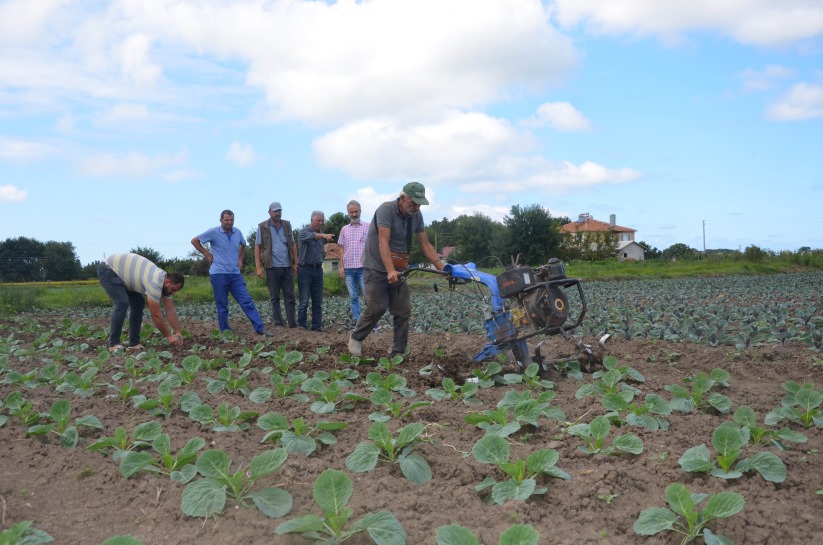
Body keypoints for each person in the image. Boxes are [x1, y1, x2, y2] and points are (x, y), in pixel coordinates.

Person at [348, 182, 445, 358]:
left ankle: (398, 350)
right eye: (413, 203)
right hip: (376, 266)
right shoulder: (386, 210)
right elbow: (383, 242)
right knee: (377, 306)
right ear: (402, 198)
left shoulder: (416, 215)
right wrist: (390, 270)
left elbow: (425, 244)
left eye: (420, 204)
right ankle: (356, 337)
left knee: (403, 309)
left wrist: (444, 270)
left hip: (399, 268)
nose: (416, 207)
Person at [192, 210, 272, 337]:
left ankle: (260, 328)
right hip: (218, 274)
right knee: (222, 304)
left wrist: (240, 259)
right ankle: (225, 330)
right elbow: (195, 241)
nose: (229, 222)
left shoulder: (237, 232)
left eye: (231, 220)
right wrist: (207, 254)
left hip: (235, 274)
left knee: (246, 300)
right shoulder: (213, 232)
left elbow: (243, 245)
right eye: (226, 220)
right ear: (221, 220)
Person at [97, 252, 185, 353]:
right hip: (109, 269)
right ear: (167, 281)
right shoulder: (154, 283)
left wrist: (177, 332)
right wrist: (169, 336)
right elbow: (156, 315)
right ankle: (113, 344)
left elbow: (170, 310)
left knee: (138, 303)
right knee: (122, 302)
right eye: (173, 289)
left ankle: (134, 343)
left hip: (124, 275)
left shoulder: (165, 284)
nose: (172, 293)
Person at [255, 201, 298, 328]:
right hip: (271, 266)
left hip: (286, 266)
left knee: (290, 295)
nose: (278, 213)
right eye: (275, 211)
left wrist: (295, 263)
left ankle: (292, 323)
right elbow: (257, 247)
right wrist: (258, 267)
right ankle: (278, 322)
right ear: (269, 212)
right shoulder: (262, 227)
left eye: (279, 211)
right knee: (274, 296)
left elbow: (293, 245)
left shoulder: (287, 225)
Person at [297, 211, 334, 331]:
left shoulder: (321, 235)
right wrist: (324, 236)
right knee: (304, 300)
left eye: (322, 220)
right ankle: (302, 325)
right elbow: (314, 236)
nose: (321, 223)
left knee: (318, 301)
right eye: (318, 220)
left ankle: (316, 326)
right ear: (311, 220)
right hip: (305, 270)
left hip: (318, 270)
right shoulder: (304, 232)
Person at [337, 199, 371, 328]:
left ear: (360, 211)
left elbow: (373, 245)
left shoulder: (368, 226)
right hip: (349, 269)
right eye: (351, 212)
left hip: (363, 268)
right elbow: (341, 248)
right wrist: (341, 266)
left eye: (356, 211)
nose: (354, 214)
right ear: (348, 213)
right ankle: (357, 321)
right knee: (353, 297)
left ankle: (371, 322)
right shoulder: (344, 229)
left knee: (368, 296)